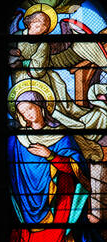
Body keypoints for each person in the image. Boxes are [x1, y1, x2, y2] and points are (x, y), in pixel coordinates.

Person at [8, 81, 107, 242]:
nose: (26, 114)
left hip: (58, 200)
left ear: (41, 106)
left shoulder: (62, 136)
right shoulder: (16, 139)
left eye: (29, 108)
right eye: (21, 111)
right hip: (25, 202)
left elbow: (76, 168)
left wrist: (51, 156)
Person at [9, 4, 107, 142]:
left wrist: (22, 63)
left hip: (44, 83)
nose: (40, 32)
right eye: (37, 26)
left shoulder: (43, 44)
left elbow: (38, 70)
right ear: (30, 23)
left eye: (44, 30)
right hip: (20, 83)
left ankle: (83, 127)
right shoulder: (15, 37)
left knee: (62, 111)